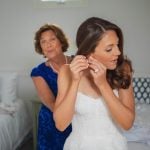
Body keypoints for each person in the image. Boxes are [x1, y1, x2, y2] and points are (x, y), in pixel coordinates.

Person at [53, 17, 135, 150]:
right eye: (109, 49)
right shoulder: (66, 71)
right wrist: (75, 81)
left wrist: (103, 85)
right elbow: (61, 125)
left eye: (117, 45)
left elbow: (127, 124)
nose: (118, 52)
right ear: (89, 52)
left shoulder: (123, 69)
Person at [31, 24, 72, 150]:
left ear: (61, 41)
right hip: (51, 124)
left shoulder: (78, 62)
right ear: (41, 48)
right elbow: (52, 105)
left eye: (52, 39)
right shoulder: (38, 72)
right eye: (43, 42)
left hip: (80, 119)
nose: (48, 45)